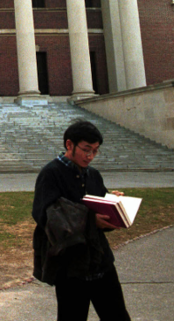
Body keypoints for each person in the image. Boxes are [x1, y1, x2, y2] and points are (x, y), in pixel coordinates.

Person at [32, 120, 131, 321]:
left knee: (117, 316)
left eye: (95, 151)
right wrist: (91, 220)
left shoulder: (93, 175)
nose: (90, 156)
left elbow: (99, 214)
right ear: (69, 145)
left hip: (100, 260)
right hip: (70, 266)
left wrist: (113, 206)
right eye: (86, 150)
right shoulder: (51, 174)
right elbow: (46, 217)